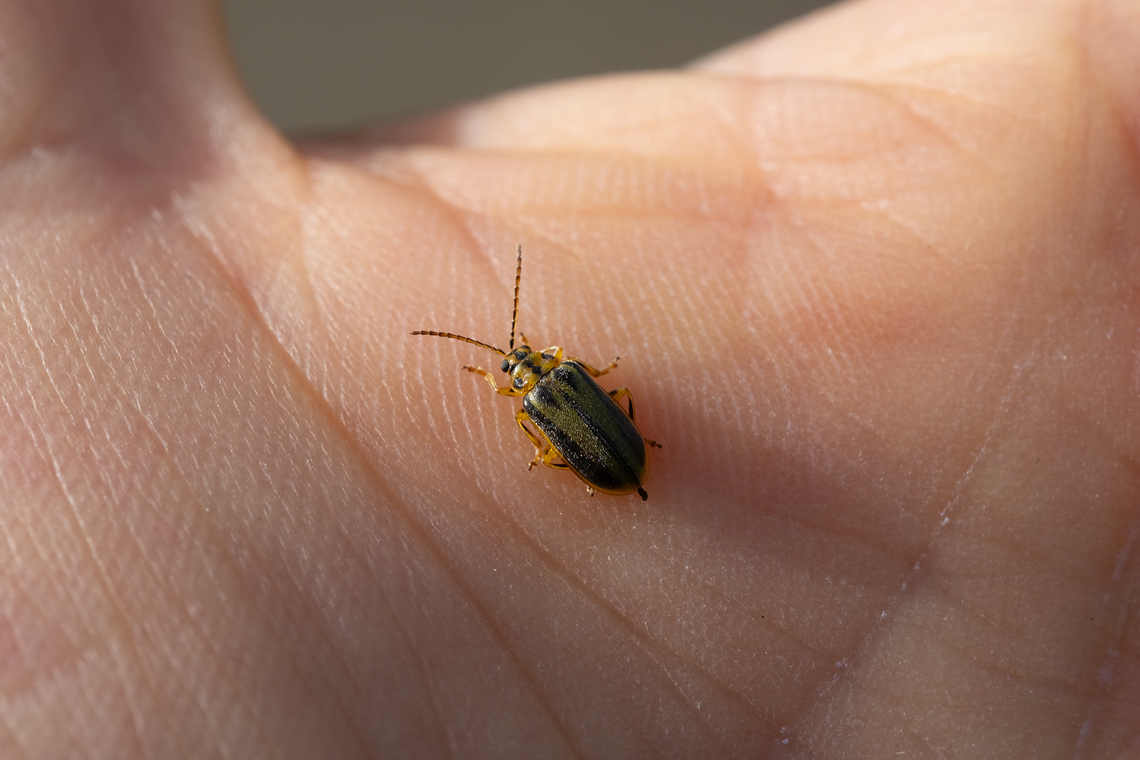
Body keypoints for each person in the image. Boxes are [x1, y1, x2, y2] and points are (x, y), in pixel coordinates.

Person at [1, 0, 1136, 756]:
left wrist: (588, 448)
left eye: (520, 354)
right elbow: (583, 421)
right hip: (616, 461)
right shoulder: (555, 392)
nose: (526, 363)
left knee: (586, 438)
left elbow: (576, 424)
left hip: (617, 460)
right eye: (521, 358)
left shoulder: (545, 396)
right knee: (590, 437)